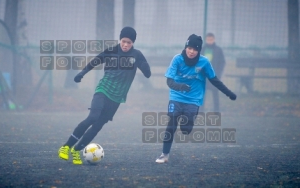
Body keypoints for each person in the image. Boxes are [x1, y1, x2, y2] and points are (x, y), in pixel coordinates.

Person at [58, 27, 151, 165]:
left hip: (117, 97)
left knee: (98, 125)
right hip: (103, 89)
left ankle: (76, 150)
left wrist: (145, 67)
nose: (125, 45)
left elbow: (147, 74)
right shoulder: (111, 51)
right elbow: (95, 61)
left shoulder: (137, 55)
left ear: (133, 43)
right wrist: (82, 73)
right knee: (93, 117)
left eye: (129, 42)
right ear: (120, 40)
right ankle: (66, 146)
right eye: (124, 41)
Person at [155, 34, 236, 164]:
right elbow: (169, 81)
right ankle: (164, 154)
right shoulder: (177, 59)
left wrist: (229, 93)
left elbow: (214, 80)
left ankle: (189, 121)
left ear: (199, 51)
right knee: (171, 124)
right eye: (190, 48)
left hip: (193, 99)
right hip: (176, 96)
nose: (191, 51)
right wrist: (180, 86)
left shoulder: (204, 62)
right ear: (186, 47)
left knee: (186, 130)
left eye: (195, 49)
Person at [201, 33, 226, 112]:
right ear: (206, 40)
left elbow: (222, 62)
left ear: (214, 40)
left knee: (215, 93)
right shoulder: (202, 49)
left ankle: (216, 110)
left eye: (211, 39)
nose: (209, 41)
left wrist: (218, 73)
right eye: (208, 40)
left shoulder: (218, 50)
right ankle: (200, 110)